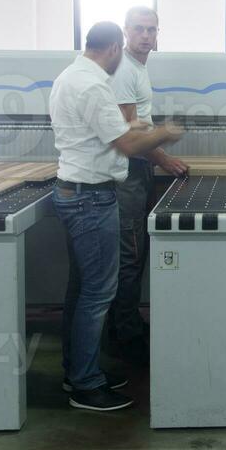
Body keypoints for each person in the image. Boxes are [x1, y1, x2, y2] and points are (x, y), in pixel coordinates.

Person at [50, 21, 183, 413]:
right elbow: (125, 144)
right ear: (112, 49)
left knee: (82, 291)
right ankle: (86, 385)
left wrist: (139, 126)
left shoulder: (71, 76)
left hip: (77, 193)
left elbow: (111, 129)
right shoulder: (92, 84)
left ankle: (78, 371)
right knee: (97, 295)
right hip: (90, 199)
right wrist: (164, 133)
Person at [107, 6, 187, 365]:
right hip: (126, 176)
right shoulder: (124, 71)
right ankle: (124, 336)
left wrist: (161, 159)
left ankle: (127, 325)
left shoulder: (138, 68)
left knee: (132, 256)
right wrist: (165, 157)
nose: (145, 36)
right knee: (130, 256)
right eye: (138, 29)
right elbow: (130, 132)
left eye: (151, 30)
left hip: (137, 172)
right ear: (125, 32)